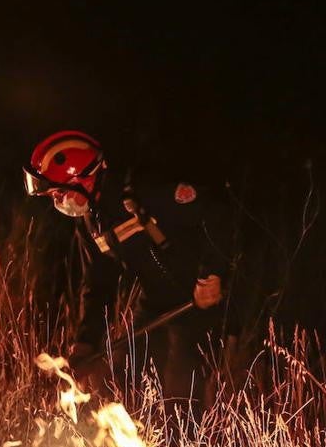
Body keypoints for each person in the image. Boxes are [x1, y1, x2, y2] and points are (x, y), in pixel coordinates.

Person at [24, 130, 237, 416]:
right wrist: (86, 341)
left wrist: (211, 274)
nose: (57, 202)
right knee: (118, 380)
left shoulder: (144, 191)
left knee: (184, 394)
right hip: (156, 303)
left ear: (84, 179)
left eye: (59, 193)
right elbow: (98, 283)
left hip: (205, 302)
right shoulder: (91, 222)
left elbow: (217, 214)